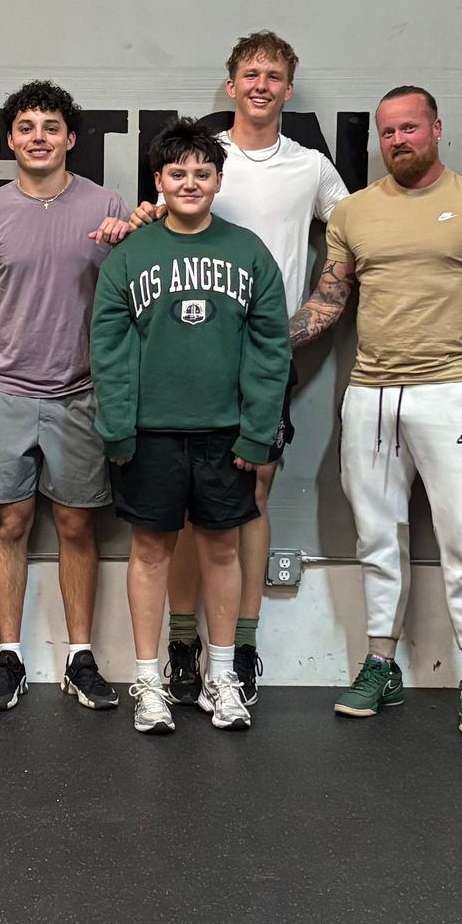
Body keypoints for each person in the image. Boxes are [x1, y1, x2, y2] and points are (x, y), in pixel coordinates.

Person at [289, 86, 462, 738]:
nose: (398, 141)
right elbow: (328, 302)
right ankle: (380, 665)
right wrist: (260, 338)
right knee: (376, 540)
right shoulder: (355, 212)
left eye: (409, 129)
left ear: (436, 128)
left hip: (450, 392)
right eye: (388, 132)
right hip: (369, 396)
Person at [152, 32, 348, 708]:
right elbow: (159, 224)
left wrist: (300, 324)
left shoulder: (311, 167)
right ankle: (182, 645)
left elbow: (349, 248)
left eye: (274, 75)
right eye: (250, 73)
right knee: (181, 508)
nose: (261, 83)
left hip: (262, 364)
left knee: (252, 497)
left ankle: (240, 646)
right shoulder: (202, 156)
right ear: (230, 83)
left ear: (289, 89)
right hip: (185, 357)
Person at [93, 119, 291, 734]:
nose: (190, 182)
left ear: (218, 180)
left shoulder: (248, 251)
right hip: (150, 434)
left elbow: (269, 350)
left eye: (202, 173)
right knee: (150, 551)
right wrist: (118, 429)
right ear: (158, 180)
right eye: (177, 173)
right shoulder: (129, 257)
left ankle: (222, 676)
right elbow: (109, 350)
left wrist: (258, 433)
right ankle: (148, 680)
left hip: (224, 434)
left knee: (222, 549)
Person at [0, 80, 131, 712]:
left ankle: (80, 658)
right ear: (10, 140)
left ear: (71, 139)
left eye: (51, 127)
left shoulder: (107, 207)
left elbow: (130, 305)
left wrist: (125, 247)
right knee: (9, 522)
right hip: (4, 389)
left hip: (81, 393)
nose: (39, 138)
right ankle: (10, 658)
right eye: (27, 127)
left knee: (77, 525)